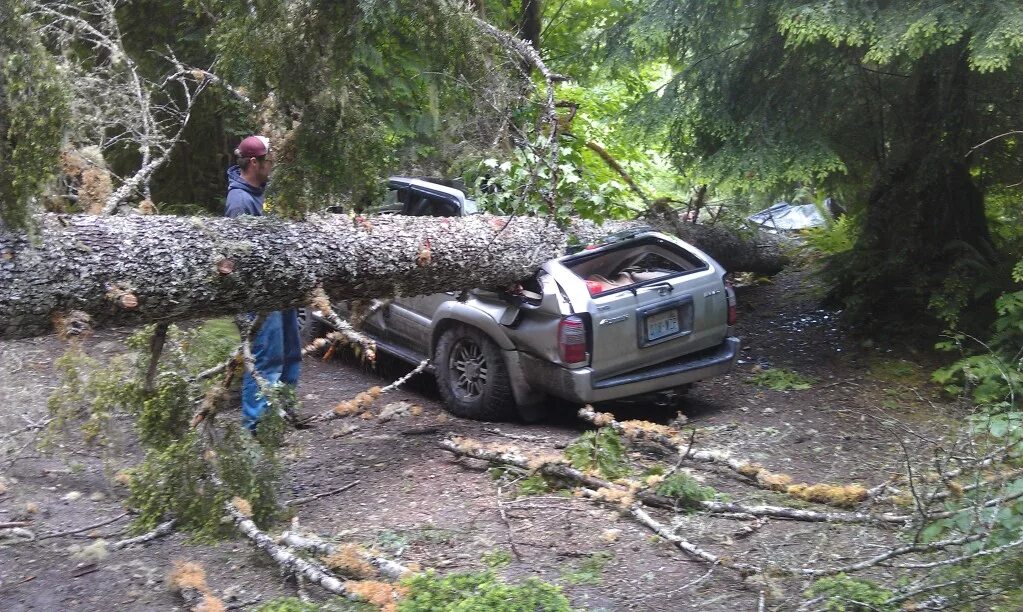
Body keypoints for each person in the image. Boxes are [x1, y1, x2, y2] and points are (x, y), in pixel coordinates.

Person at [225, 135, 302, 430]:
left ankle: (283, 411)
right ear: (254, 163)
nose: (274, 165)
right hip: (258, 297)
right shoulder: (239, 202)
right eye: (269, 161)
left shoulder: (267, 192)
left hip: (281, 290)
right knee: (267, 358)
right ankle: (257, 426)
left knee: (291, 353)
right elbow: (239, 259)